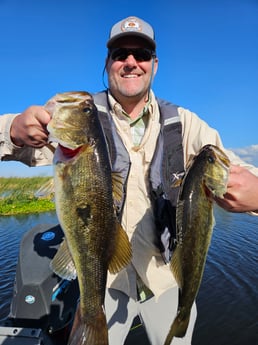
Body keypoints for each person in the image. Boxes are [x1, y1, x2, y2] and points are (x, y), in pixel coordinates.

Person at [0, 16, 258, 345]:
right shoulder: (78, 115)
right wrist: (14, 130)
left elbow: (236, 171)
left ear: (155, 65)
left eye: (142, 55)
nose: (131, 62)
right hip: (103, 281)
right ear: (107, 62)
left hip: (165, 281)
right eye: (120, 53)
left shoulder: (186, 123)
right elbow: (17, 141)